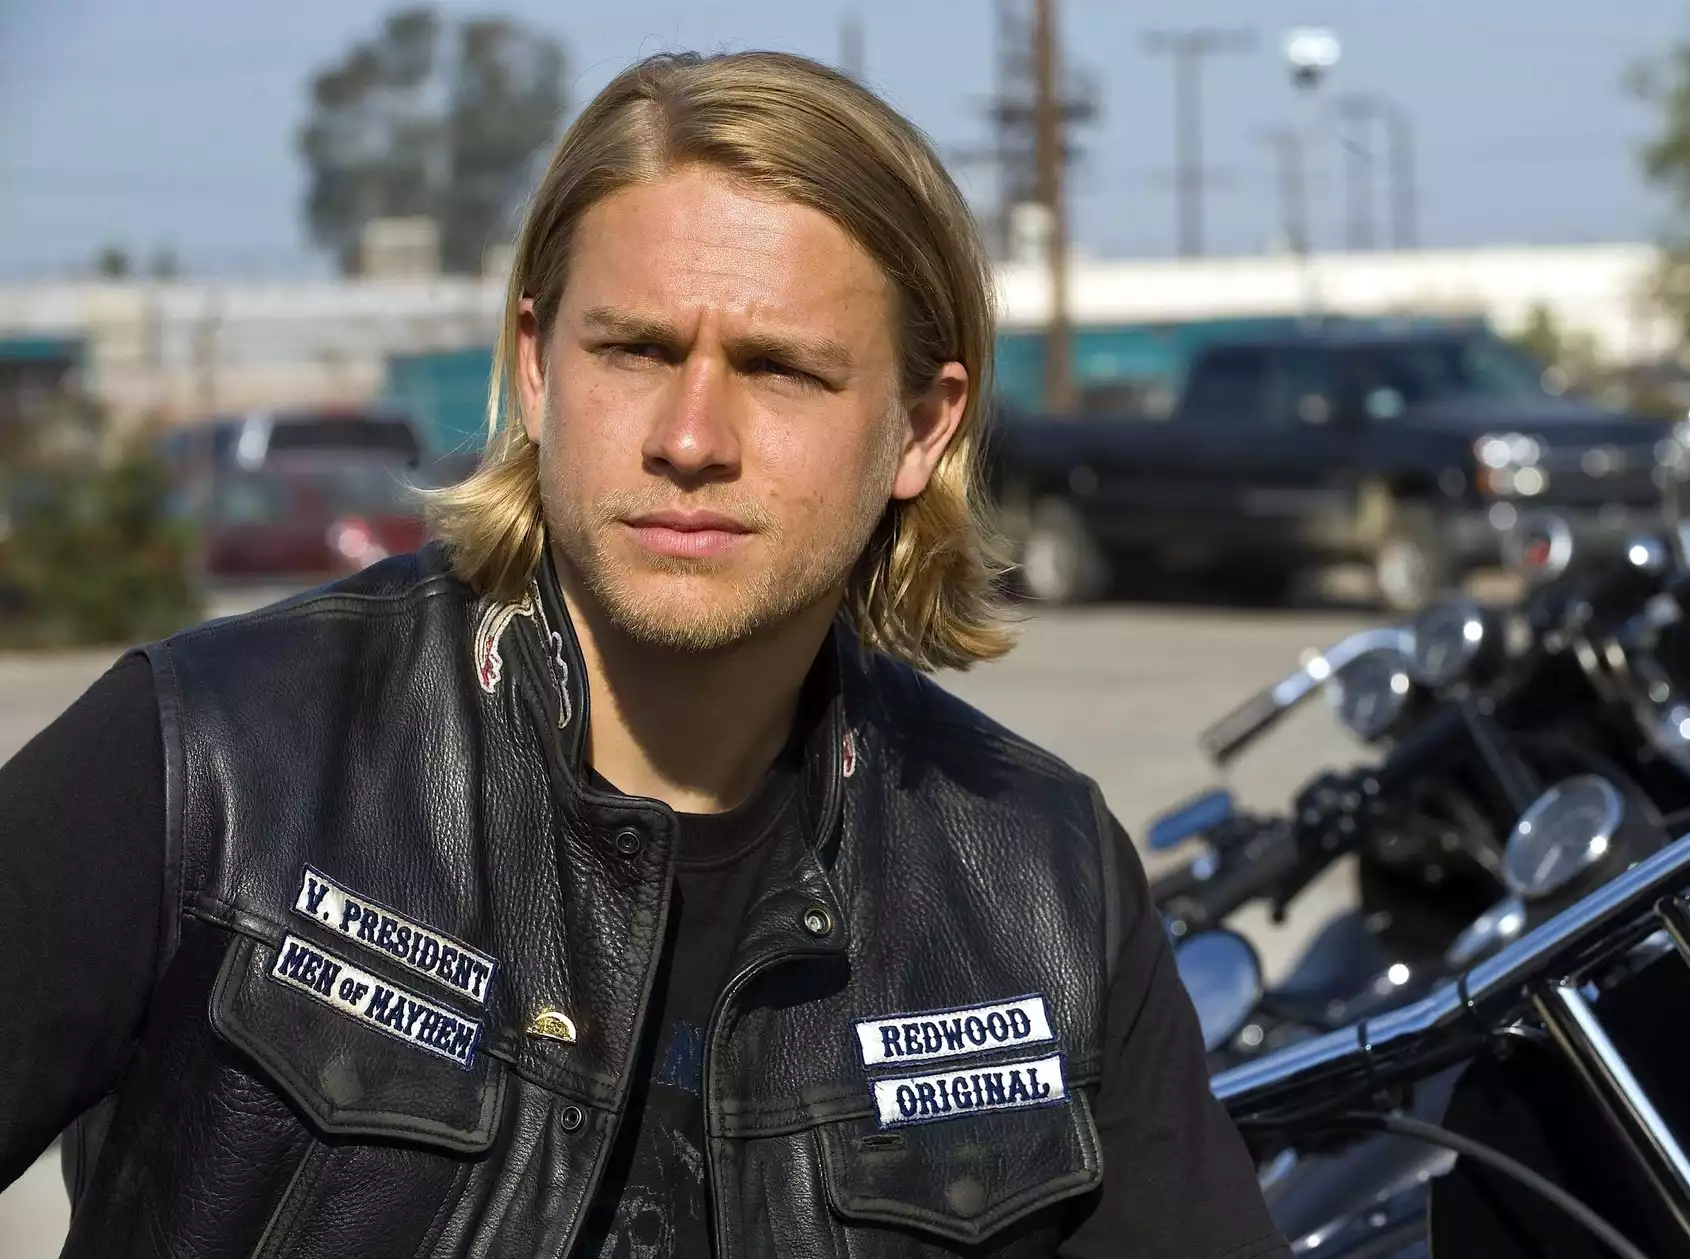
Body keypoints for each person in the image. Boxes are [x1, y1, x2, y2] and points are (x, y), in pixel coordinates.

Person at [0, 51, 1292, 1259]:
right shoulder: (215, 762)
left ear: (919, 429)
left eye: (780, 371)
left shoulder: (1045, 885)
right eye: (634, 349)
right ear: (537, 367)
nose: (689, 437)